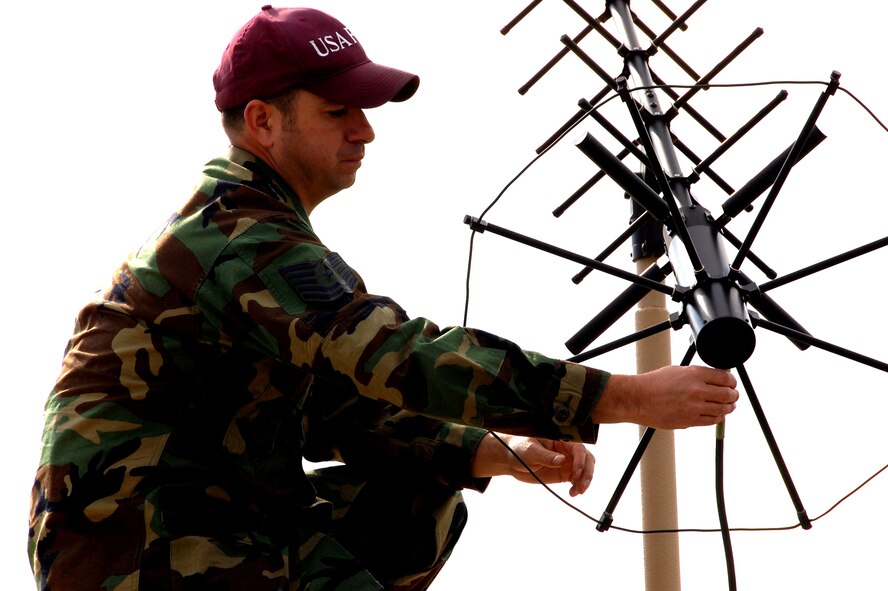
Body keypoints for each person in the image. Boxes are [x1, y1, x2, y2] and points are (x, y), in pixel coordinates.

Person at [28, 6, 739, 591]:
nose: (364, 130)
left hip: (211, 529)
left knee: (423, 489)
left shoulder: (252, 233)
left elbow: (343, 415)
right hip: (139, 550)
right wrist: (619, 396)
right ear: (263, 122)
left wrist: (503, 449)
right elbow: (398, 355)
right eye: (338, 110)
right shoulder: (235, 238)